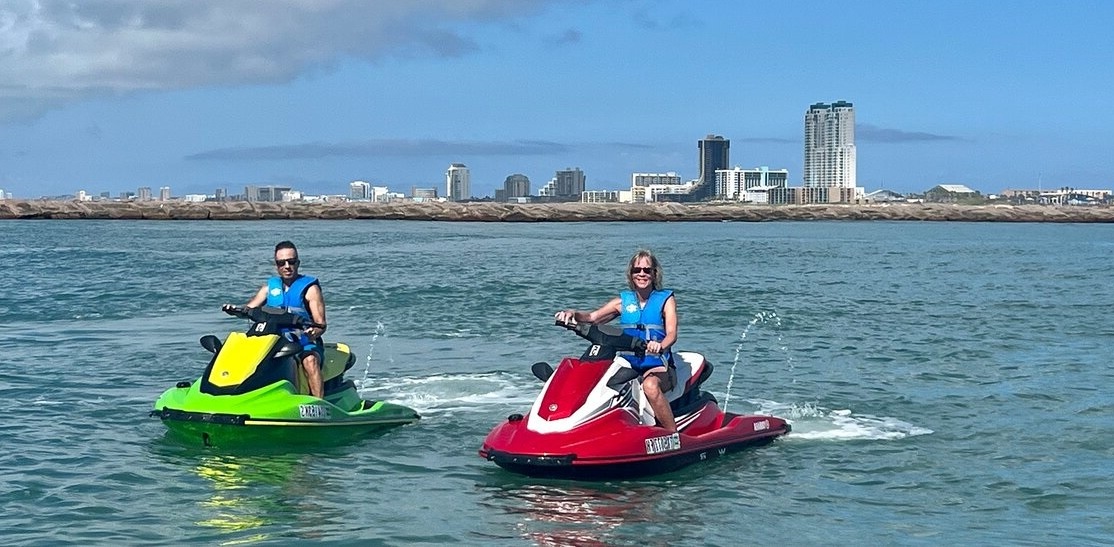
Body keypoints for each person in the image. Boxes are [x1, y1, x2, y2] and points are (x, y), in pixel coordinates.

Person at [554, 249, 678, 432]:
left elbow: (671, 334)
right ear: (631, 274)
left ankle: (673, 435)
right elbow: (592, 317)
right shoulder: (622, 302)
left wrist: (660, 346)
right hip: (629, 362)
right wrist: (572, 313)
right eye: (637, 270)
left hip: (658, 363)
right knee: (596, 382)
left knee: (650, 386)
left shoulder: (666, 300)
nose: (642, 274)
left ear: (654, 273)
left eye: (647, 270)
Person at [224, 241, 328, 398]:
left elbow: (321, 324)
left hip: (303, 341)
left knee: (310, 361)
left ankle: (318, 403)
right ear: (276, 265)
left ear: (298, 263)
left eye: (291, 261)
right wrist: (234, 310)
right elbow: (248, 310)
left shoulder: (310, 289)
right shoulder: (269, 288)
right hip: (273, 339)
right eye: (282, 263)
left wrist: (310, 334)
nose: (287, 266)